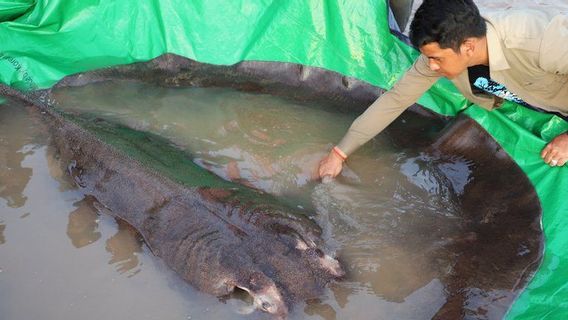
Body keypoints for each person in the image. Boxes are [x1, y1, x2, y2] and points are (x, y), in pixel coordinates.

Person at [318, 0, 568, 179]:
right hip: (527, 99)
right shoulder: (438, 57)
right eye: (429, 58)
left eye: (437, 58)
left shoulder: (539, 40)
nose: (432, 66)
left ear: (468, 46)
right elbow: (394, 100)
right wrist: (339, 153)